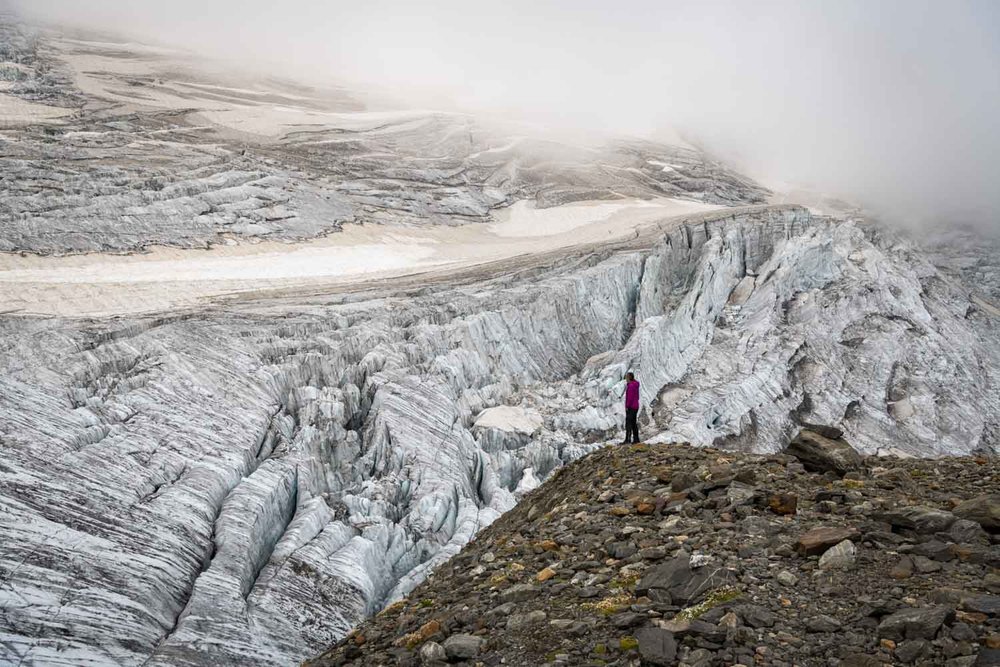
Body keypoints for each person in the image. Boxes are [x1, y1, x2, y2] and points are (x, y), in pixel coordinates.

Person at [622, 371, 640, 444]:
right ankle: (636, 439)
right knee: (633, 423)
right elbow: (637, 397)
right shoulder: (635, 385)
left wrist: (627, 406)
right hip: (635, 406)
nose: (626, 378)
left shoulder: (631, 386)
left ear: (629, 377)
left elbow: (629, 397)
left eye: (626, 377)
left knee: (628, 423)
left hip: (631, 407)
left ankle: (628, 439)